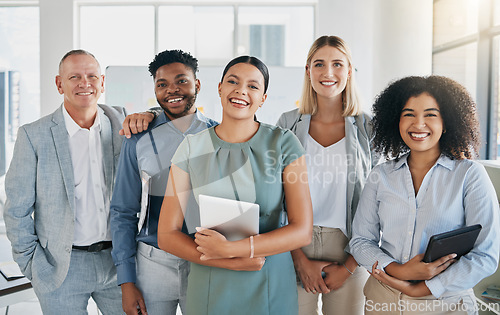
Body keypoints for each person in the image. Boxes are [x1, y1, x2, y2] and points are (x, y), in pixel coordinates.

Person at [3, 49, 155, 314]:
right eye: (75, 77)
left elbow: (163, 113)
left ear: (103, 82)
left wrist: (152, 114)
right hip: (61, 268)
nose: (85, 83)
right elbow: (16, 211)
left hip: (119, 263)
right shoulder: (33, 135)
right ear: (60, 84)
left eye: (92, 76)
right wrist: (35, 267)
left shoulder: (123, 122)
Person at [157, 55, 313, 314]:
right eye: (233, 81)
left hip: (269, 281)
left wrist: (234, 249)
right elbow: (167, 234)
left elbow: (302, 230)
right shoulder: (191, 148)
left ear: (263, 98)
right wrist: (227, 260)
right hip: (210, 284)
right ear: (220, 88)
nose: (241, 90)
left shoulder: (284, 144)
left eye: (253, 86)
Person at [350, 75, 500, 314]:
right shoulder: (380, 175)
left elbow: (486, 255)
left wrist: (425, 287)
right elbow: (360, 241)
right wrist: (400, 271)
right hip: (383, 298)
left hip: (446, 303)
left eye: (430, 114)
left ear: (447, 121)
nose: (418, 124)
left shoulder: (470, 175)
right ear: (395, 120)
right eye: (408, 114)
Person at [110, 49, 217, 315]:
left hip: (205, 260)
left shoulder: (219, 135)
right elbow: (123, 211)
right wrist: (126, 281)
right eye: (162, 84)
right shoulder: (137, 138)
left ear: (197, 85)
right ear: (155, 90)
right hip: (152, 263)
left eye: (182, 81)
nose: (173, 90)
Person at [276, 35, 373, 314]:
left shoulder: (369, 128)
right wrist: (299, 260)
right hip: (295, 244)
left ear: (349, 71)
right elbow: (274, 197)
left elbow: (379, 202)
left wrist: (349, 266)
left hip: (349, 247)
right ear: (308, 71)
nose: (328, 73)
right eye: (319, 64)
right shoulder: (287, 124)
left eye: (337, 64)